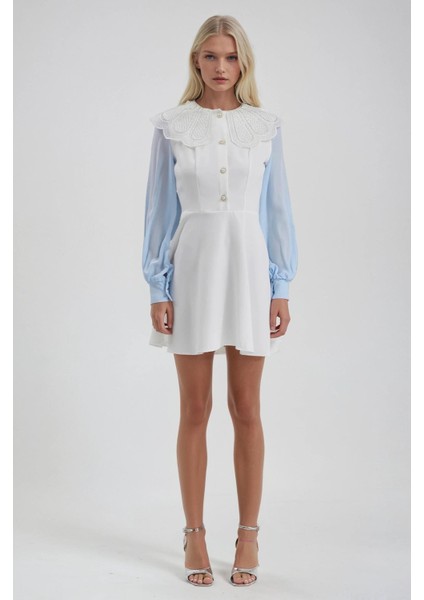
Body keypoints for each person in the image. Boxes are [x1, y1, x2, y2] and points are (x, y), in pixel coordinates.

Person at [142, 14, 298, 587]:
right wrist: (157, 286)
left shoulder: (265, 127)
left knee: (247, 409)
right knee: (195, 410)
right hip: (192, 271)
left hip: (250, 272)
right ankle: (194, 533)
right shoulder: (173, 126)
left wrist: (281, 285)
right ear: (196, 61)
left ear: (243, 63)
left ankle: (249, 533)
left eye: (230, 57)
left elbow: (276, 211)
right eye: (210, 56)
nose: (221, 67)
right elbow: (159, 211)